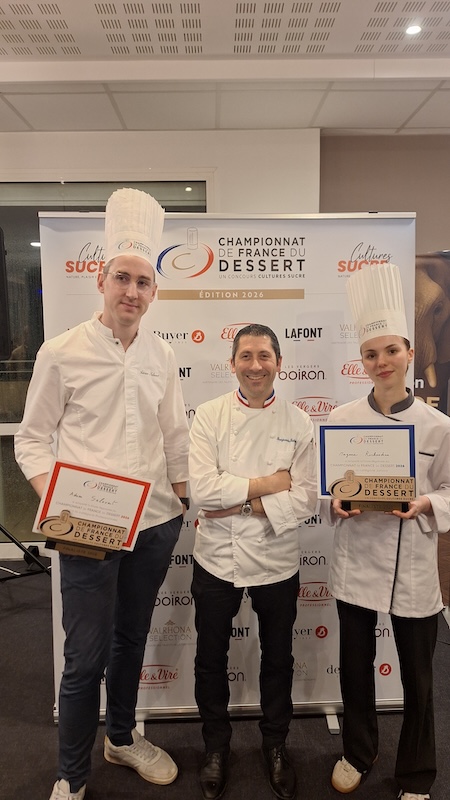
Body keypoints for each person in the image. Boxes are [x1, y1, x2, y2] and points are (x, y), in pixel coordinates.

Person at [15, 188, 190, 800]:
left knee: (130, 639)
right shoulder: (61, 352)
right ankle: (71, 775)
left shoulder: (162, 354)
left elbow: (175, 435)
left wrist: (183, 499)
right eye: (122, 278)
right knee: (85, 655)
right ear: (100, 279)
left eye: (143, 282)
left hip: (155, 522)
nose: (131, 292)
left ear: (154, 292)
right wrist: (59, 502)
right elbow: (31, 441)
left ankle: (120, 737)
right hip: (87, 528)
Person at [321, 264, 450, 800]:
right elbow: (325, 489)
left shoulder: (439, 427)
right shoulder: (341, 418)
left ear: (409, 354)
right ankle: (358, 751)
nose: (382, 362)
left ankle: (417, 773)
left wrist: (425, 503)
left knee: (418, 678)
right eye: (371, 354)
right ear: (363, 362)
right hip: (357, 559)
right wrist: (335, 503)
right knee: (356, 670)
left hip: (414, 565)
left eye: (391, 351)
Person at [189, 324, 317, 800]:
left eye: (264, 355)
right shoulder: (209, 415)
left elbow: (306, 498)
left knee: (278, 658)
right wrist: (270, 485)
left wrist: (239, 502)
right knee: (210, 659)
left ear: (279, 363)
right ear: (232, 364)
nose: (255, 365)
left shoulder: (299, 422)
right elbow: (203, 492)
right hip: (216, 558)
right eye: (246, 355)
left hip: (276, 560)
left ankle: (276, 744)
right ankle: (215, 747)